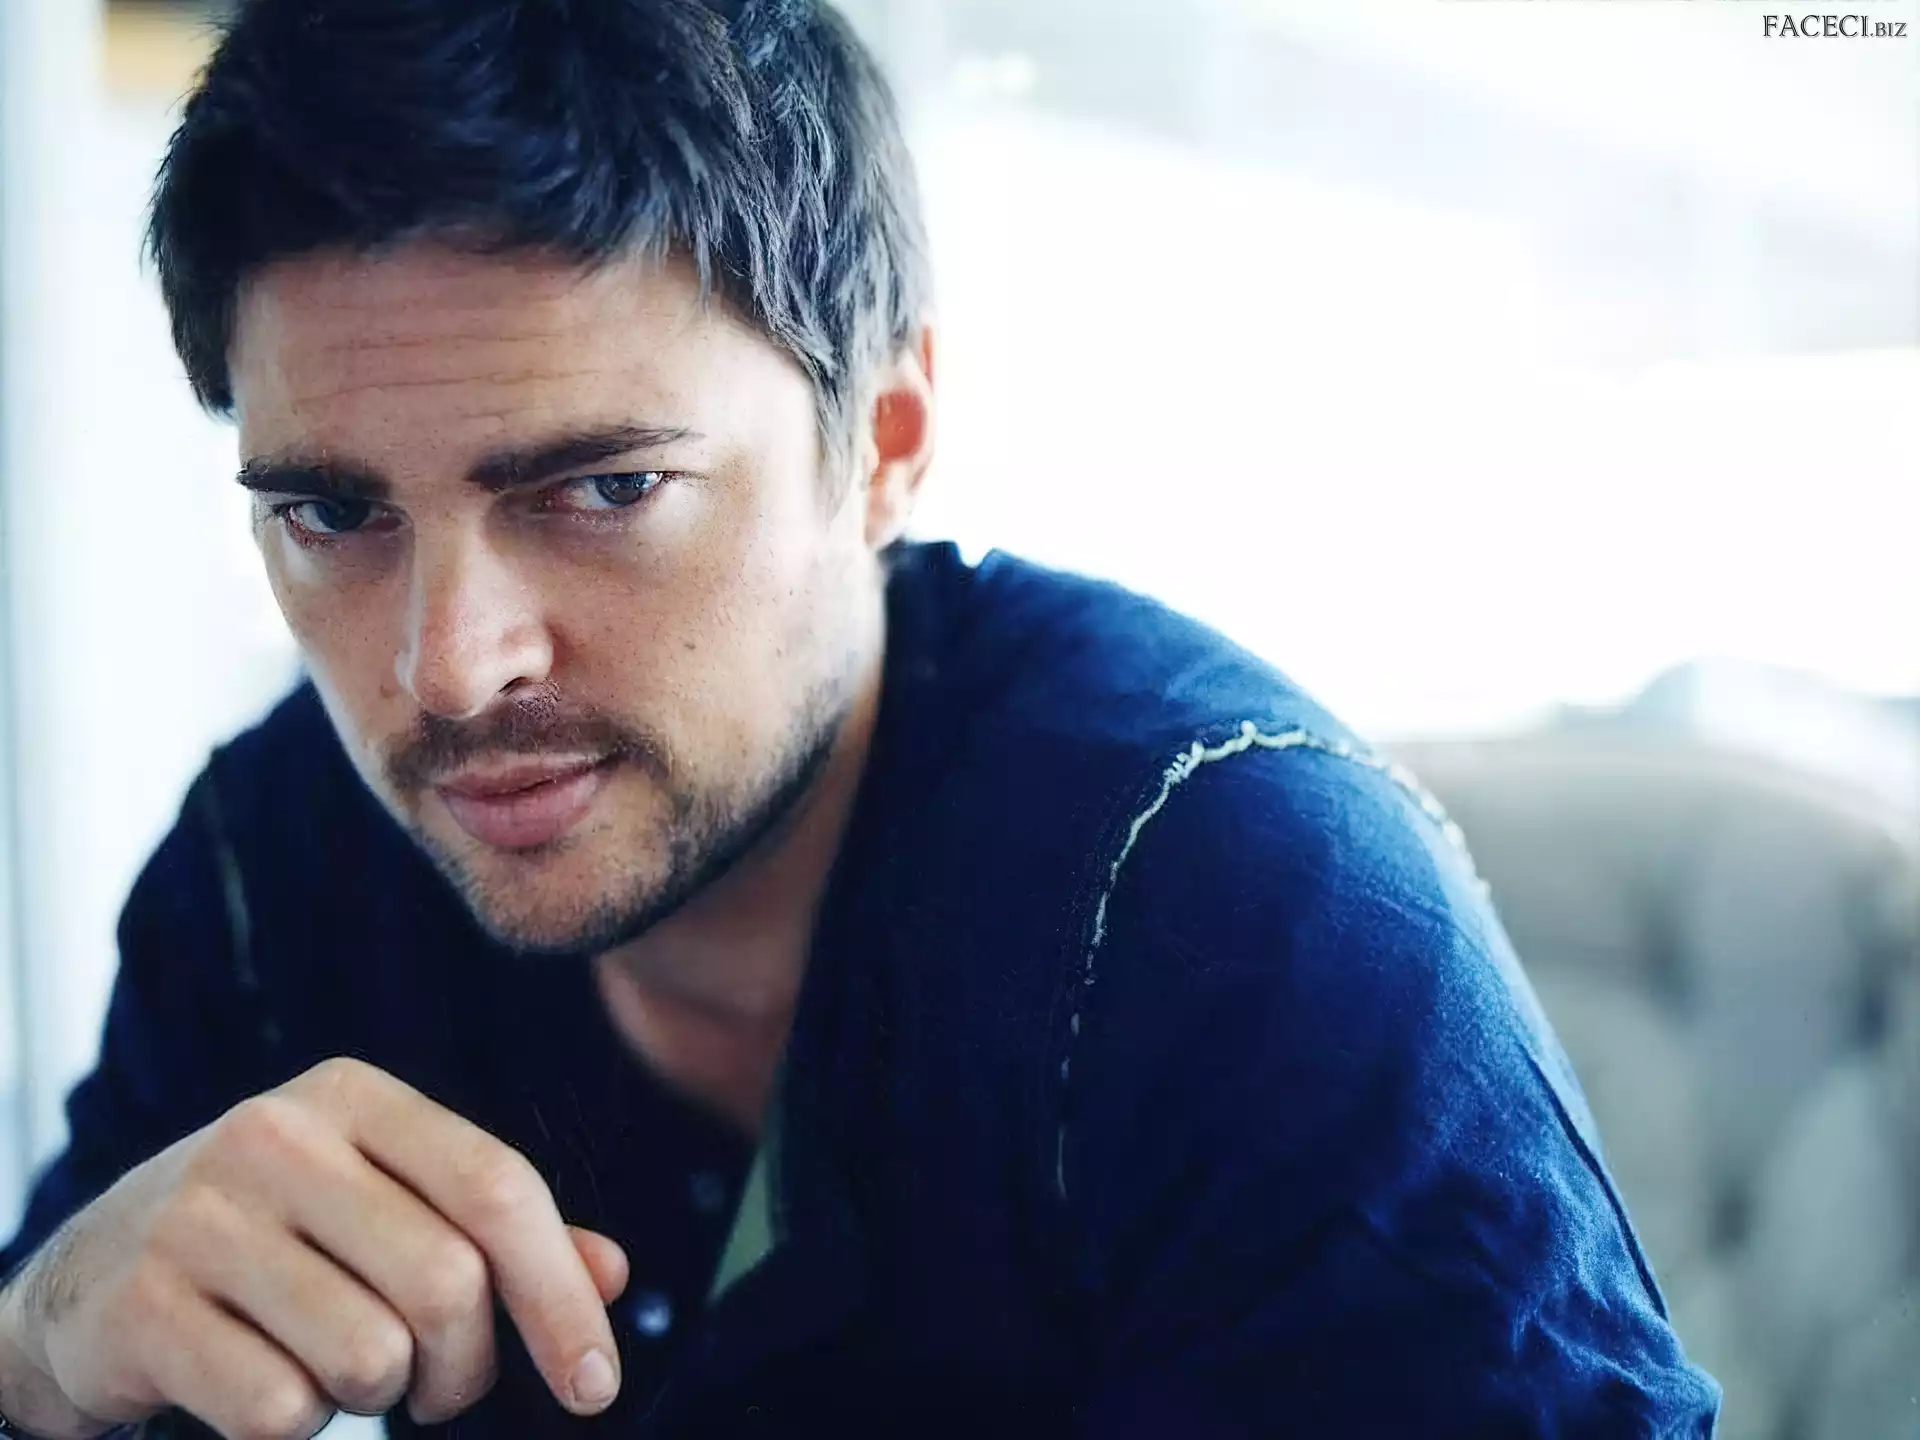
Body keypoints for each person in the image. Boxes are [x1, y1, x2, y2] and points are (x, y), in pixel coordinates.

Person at [0, 1, 1720, 1435]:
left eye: (604, 488)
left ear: (886, 442)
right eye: (332, 514)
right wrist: (36, 1349)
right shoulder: (277, 859)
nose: (449, 669)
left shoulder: (1234, 907)